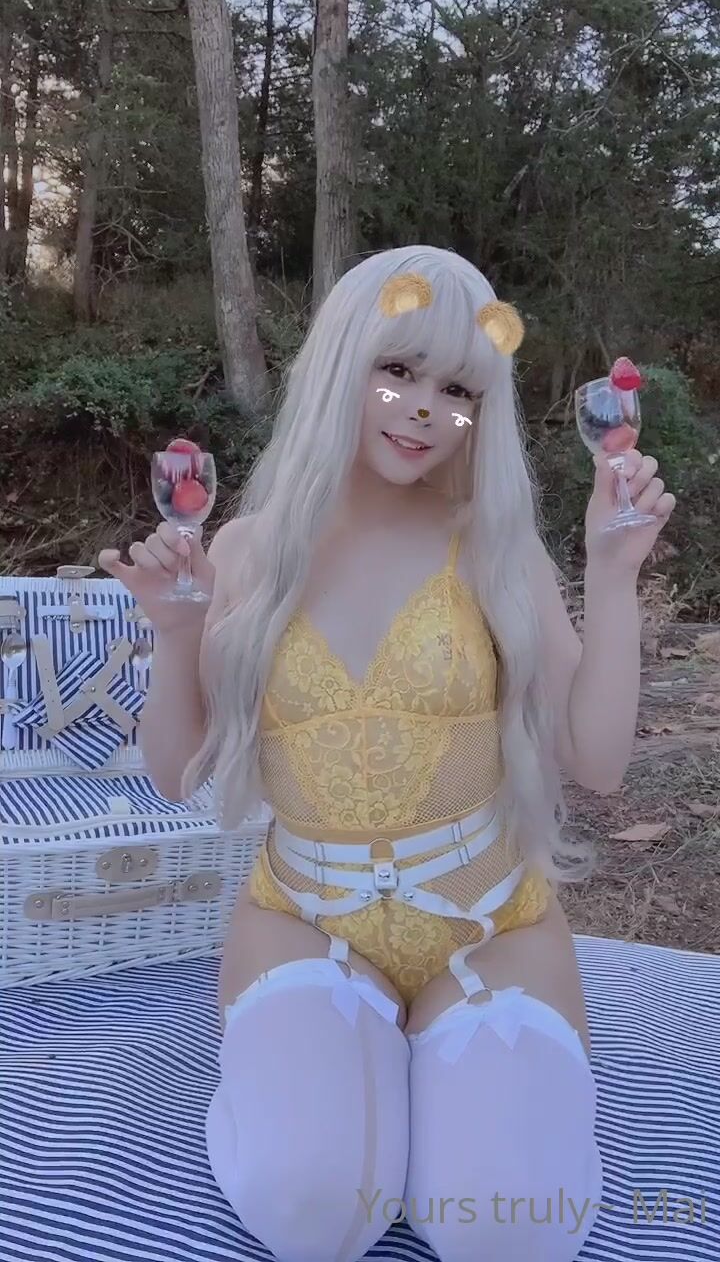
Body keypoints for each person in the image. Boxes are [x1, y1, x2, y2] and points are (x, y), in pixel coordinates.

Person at [99, 245, 676, 1262]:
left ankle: (425, 1079)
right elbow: (179, 773)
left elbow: (596, 762)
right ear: (341, 362)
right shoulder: (248, 550)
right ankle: (349, 1073)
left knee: (514, 1229)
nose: (423, 408)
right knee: (312, 1209)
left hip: (490, 926)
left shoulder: (495, 544)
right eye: (398, 369)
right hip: (304, 922)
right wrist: (178, 636)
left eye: (459, 388)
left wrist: (614, 571)